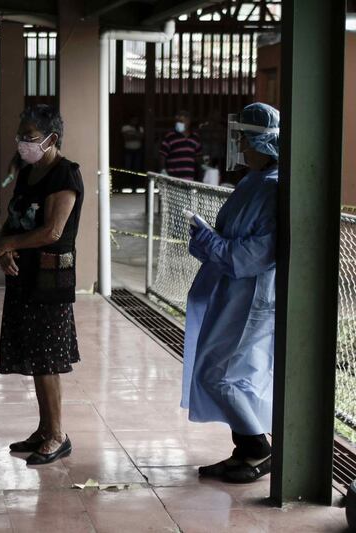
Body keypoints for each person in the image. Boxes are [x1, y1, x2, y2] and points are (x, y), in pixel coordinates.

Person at [182, 102, 279, 483]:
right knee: (232, 374)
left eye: (245, 139)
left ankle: (258, 450)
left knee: (218, 374)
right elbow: (232, 237)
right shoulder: (253, 180)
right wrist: (207, 240)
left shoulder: (273, 188)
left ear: (263, 141)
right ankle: (244, 451)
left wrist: (213, 245)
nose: (240, 146)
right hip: (232, 291)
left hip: (252, 297)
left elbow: (253, 255)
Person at [0, 104, 83, 465]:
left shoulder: (65, 175)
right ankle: (45, 428)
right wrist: (3, 248)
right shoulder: (29, 172)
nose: (22, 144)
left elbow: (52, 231)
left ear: (51, 139)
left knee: (47, 359)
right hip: (22, 278)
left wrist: (8, 244)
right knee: (33, 355)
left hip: (49, 279)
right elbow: (16, 221)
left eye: (29, 138)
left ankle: (57, 436)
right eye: (20, 137)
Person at [159, 110, 203, 180]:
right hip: (173, 177)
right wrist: (163, 170)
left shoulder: (195, 137)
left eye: (181, 121)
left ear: (188, 121)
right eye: (177, 121)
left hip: (189, 178)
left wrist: (204, 167)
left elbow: (198, 157)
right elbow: (162, 155)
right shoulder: (170, 136)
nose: (178, 123)